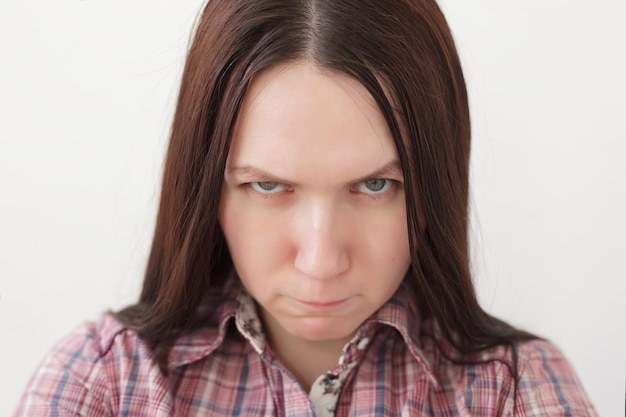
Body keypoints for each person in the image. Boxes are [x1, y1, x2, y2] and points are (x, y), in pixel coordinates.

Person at [14, 0, 598, 416]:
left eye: (374, 186)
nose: (321, 261)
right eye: (268, 187)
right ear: (207, 188)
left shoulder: (514, 391)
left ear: (432, 187)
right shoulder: (104, 383)